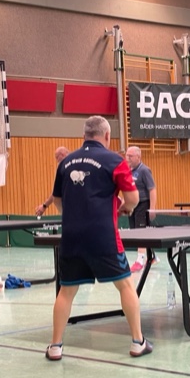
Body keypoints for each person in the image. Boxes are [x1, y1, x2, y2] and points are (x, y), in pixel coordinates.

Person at [45, 115, 152, 360]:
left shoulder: (66, 162)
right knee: (125, 285)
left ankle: (55, 346)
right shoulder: (115, 160)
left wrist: (73, 216)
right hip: (103, 236)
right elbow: (133, 198)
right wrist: (125, 208)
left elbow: (58, 200)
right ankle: (138, 342)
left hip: (71, 237)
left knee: (66, 291)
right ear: (107, 135)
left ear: (84, 135)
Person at [125, 146, 159, 272]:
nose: (127, 158)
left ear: (138, 157)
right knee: (135, 232)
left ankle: (140, 260)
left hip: (143, 204)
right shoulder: (128, 170)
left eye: (130, 156)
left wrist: (152, 208)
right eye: (127, 155)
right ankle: (152, 256)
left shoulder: (144, 170)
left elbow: (152, 189)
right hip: (132, 206)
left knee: (140, 233)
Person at [35, 146, 70, 217]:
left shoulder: (63, 169)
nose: (56, 160)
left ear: (62, 154)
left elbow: (55, 193)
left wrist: (44, 206)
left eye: (57, 157)